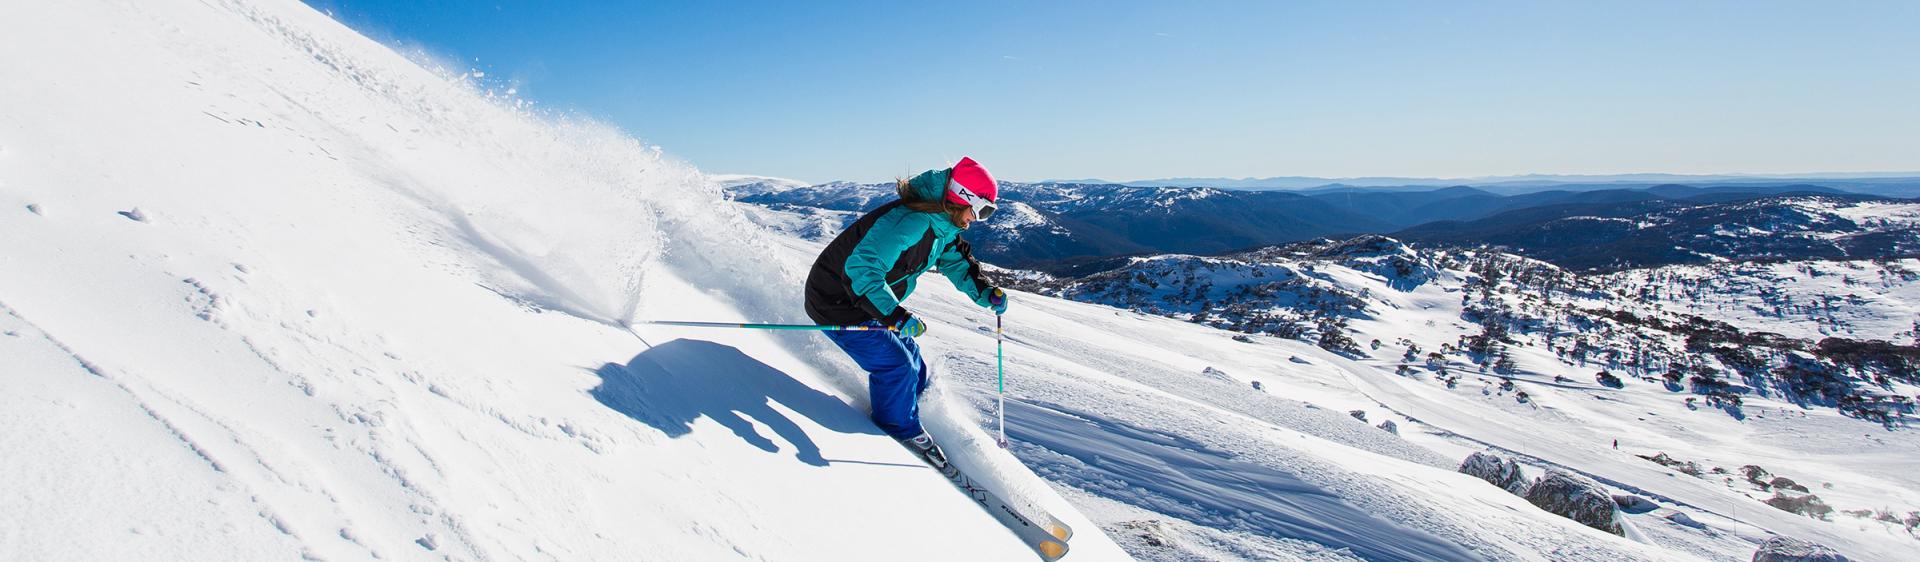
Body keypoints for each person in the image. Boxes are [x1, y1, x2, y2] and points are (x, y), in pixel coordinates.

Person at [803, 156, 1008, 472]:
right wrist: (894, 316)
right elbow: (862, 269)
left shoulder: (942, 225)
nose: (978, 219)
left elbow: (956, 262)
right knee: (897, 365)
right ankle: (899, 432)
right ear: (961, 198)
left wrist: (985, 293)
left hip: (867, 303)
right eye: (981, 210)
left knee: (913, 361)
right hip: (837, 302)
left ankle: (911, 413)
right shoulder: (911, 222)